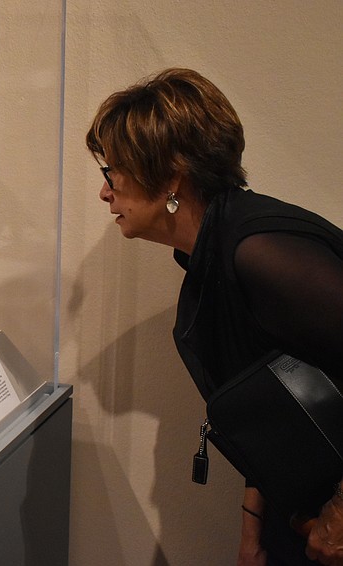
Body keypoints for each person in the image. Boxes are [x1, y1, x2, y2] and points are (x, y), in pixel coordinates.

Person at [86, 67, 343, 565]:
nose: (105, 191)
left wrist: (340, 516)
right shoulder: (212, 252)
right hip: (301, 520)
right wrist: (255, 528)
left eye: (113, 170)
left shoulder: (260, 251)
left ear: (171, 174)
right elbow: (272, 396)